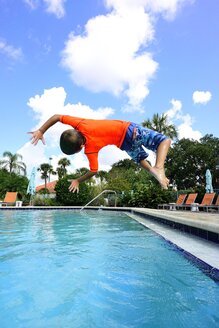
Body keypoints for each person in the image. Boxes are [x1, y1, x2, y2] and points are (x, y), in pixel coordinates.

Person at [29, 114, 171, 193]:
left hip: (124, 144)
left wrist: (78, 180)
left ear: (80, 148)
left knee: (140, 159)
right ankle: (158, 168)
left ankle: (153, 170)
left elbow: (93, 171)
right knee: (164, 141)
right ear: (74, 130)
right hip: (129, 130)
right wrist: (41, 130)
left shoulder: (90, 150)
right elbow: (56, 117)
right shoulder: (80, 123)